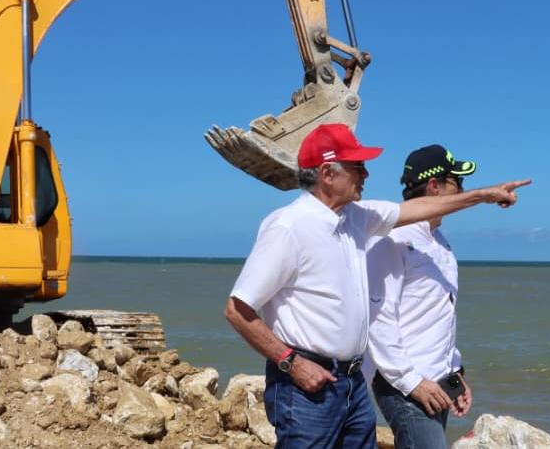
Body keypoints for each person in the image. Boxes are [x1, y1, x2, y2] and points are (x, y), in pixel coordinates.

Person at [224, 125, 531, 449]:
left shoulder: (357, 217)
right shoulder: (288, 226)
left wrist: (484, 196)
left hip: (352, 382)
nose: (366, 173)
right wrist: (292, 363)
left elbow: (419, 208)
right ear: (327, 173)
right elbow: (237, 309)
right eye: (357, 166)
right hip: (306, 384)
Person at [364, 144, 518, 448]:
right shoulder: (393, 240)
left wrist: (454, 375)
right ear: (434, 186)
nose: (461, 189)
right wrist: (413, 383)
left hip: (435, 382)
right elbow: (377, 320)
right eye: (456, 181)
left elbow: (438, 314)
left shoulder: (438, 241)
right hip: (405, 385)